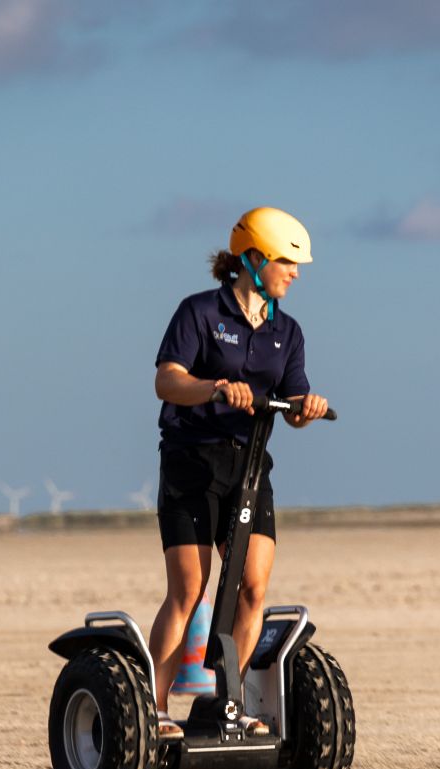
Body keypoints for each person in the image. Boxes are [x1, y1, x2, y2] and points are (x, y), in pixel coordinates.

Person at [149, 206, 328, 739]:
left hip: (250, 465)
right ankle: (155, 708)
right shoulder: (200, 313)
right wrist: (215, 387)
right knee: (190, 588)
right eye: (287, 262)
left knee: (252, 587)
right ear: (254, 259)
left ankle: (233, 704)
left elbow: (291, 403)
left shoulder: (287, 330)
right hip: (191, 459)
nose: (295, 273)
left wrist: (306, 408)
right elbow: (166, 381)